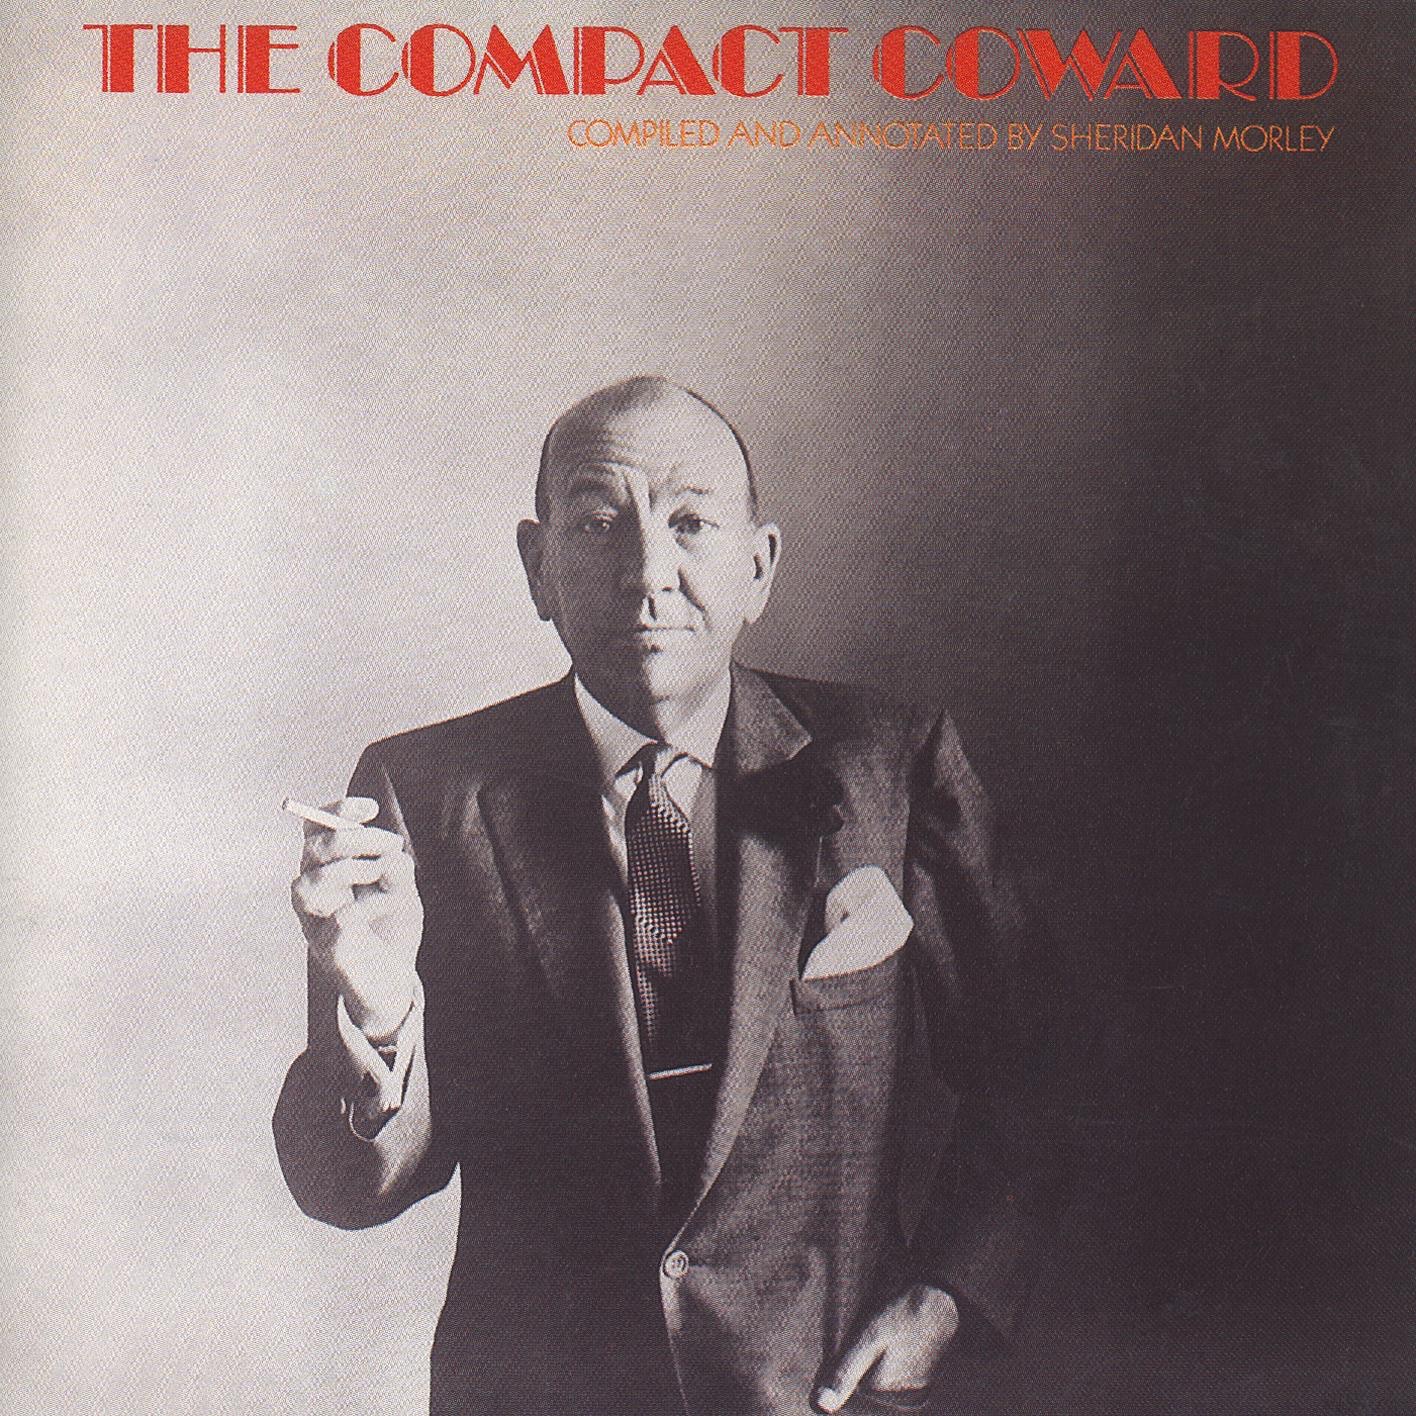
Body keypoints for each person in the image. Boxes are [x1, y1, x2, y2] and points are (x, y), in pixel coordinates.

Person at [274, 376, 1065, 1416]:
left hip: (829, 1394)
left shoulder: (891, 764)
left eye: (690, 522)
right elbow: (344, 1189)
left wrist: (949, 1295)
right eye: (597, 523)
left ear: (759, 566)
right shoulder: (422, 794)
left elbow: (1042, 1067)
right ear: (537, 567)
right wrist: (380, 1020)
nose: (647, 571)